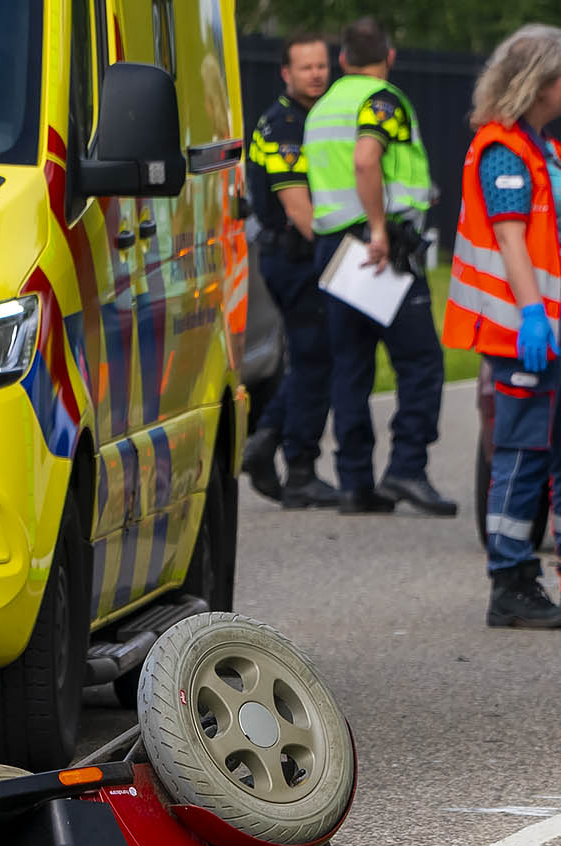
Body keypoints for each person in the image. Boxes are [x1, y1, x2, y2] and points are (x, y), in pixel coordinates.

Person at [443, 24, 561, 629]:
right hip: (524, 327)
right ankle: (510, 581)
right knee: (521, 452)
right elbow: (511, 238)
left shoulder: (546, 150)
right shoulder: (502, 151)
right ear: (539, 82)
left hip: (550, 324)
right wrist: (534, 313)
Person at [301, 17, 454, 517]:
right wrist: (380, 229)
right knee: (421, 361)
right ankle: (407, 467)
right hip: (378, 247)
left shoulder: (323, 107)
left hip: (335, 247)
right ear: (390, 57)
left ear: (343, 60)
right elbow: (367, 160)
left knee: (351, 365)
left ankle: (354, 483)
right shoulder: (383, 99)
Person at [243, 32, 339, 509]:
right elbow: (300, 210)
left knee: (311, 358)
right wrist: (338, 257)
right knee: (314, 360)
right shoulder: (284, 124)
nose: (316, 75)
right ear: (286, 73)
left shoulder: (312, 117)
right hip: (297, 257)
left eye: (321, 66)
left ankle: (266, 443)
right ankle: (298, 468)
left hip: (299, 257)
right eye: (306, 67)